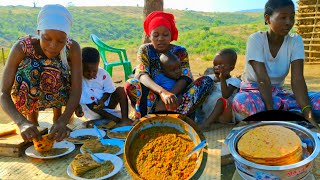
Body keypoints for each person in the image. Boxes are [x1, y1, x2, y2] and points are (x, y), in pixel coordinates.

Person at [232, 0, 320, 129]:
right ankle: (285, 117)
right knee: (242, 103)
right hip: (254, 93)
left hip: (278, 95)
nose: (289, 22)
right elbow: (262, 79)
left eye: (292, 17)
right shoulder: (256, 39)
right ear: (267, 18)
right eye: (283, 17)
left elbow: (297, 79)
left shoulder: (295, 41)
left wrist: (308, 113)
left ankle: (291, 116)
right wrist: (271, 115)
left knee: (317, 100)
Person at [0, 4, 82, 142]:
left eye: (61, 41)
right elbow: (3, 93)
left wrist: (64, 119)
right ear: (38, 32)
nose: (53, 46)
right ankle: (31, 119)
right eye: (47, 38)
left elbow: (76, 89)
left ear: (67, 37)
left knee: (54, 68)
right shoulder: (22, 47)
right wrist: (21, 122)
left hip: (60, 94)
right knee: (32, 67)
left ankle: (57, 117)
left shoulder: (72, 47)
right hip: (29, 98)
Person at [124, 11, 213, 120]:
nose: (160, 38)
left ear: (171, 35)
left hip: (178, 98)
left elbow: (185, 77)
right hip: (153, 99)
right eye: (156, 35)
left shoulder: (180, 51)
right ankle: (152, 114)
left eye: (165, 35)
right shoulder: (145, 50)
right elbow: (142, 74)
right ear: (149, 36)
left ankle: (176, 114)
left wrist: (170, 96)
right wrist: (162, 93)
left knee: (206, 81)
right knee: (130, 85)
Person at [75, 47, 132, 125]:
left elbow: (109, 90)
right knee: (88, 100)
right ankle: (115, 119)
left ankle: (125, 119)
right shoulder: (78, 78)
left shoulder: (103, 74)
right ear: (81, 66)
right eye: (87, 71)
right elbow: (87, 101)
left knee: (120, 90)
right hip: (91, 109)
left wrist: (102, 100)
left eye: (94, 71)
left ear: (98, 64)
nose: (91, 74)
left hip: (106, 104)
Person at [197, 49, 241, 131]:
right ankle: (199, 119)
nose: (217, 67)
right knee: (197, 94)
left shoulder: (234, 81)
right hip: (208, 112)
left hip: (224, 115)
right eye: (215, 65)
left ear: (231, 68)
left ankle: (206, 125)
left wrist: (222, 79)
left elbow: (226, 95)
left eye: (221, 65)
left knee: (221, 101)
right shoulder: (209, 78)